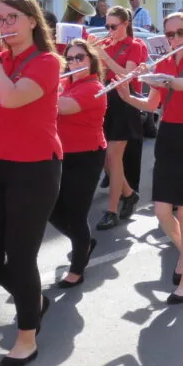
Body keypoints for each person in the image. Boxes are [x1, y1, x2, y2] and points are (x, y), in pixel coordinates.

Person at [0, 0, 62, 366]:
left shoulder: (48, 61)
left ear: (32, 21)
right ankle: (32, 299)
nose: (2, 26)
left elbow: (11, 99)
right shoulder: (1, 60)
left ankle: (27, 336)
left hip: (35, 167)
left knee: (21, 254)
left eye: (10, 19)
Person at [117, 13, 183, 304]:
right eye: (169, 35)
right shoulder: (163, 63)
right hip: (168, 136)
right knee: (162, 213)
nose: (175, 40)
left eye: (181, 33)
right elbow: (151, 104)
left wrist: (163, 78)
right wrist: (126, 94)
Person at [50, 38, 107, 287]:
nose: (74, 62)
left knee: (77, 212)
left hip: (87, 155)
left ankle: (77, 268)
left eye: (79, 57)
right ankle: (83, 242)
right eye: (70, 58)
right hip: (61, 153)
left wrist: (37, 91)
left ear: (91, 60)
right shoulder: (63, 82)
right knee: (50, 208)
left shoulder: (94, 87)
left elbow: (63, 107)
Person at [95, 6, 145, 230]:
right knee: (106, 159)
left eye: (113, 26)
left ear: (125, 24)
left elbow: (127, 75)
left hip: (124, 102)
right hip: (104, 102)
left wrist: (103, 56)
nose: (109, 31)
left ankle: (112, 210)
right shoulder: (105, 45)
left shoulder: (135, 45)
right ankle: (129, 193)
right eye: (107, 26)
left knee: (113, 157)